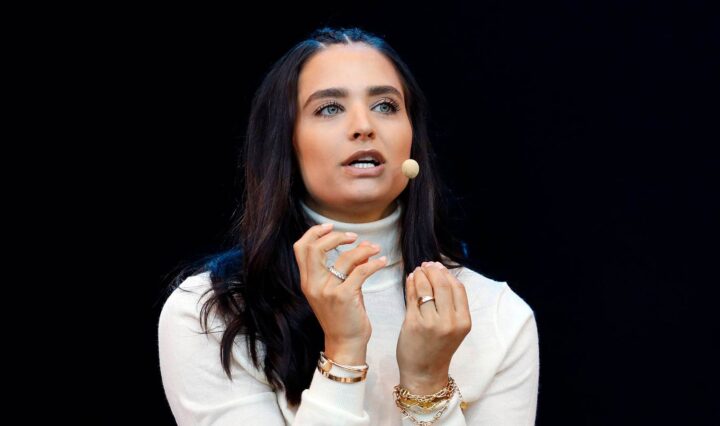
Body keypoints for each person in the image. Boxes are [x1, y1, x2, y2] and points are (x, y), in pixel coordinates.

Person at [158, 26, 539, 425]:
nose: (364, 126)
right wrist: (343, 350)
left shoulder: (496, 316)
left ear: (412, 139)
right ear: (286, 143)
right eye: (329, 108)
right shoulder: (210, 314)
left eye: (385, 106)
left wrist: (427, 385)